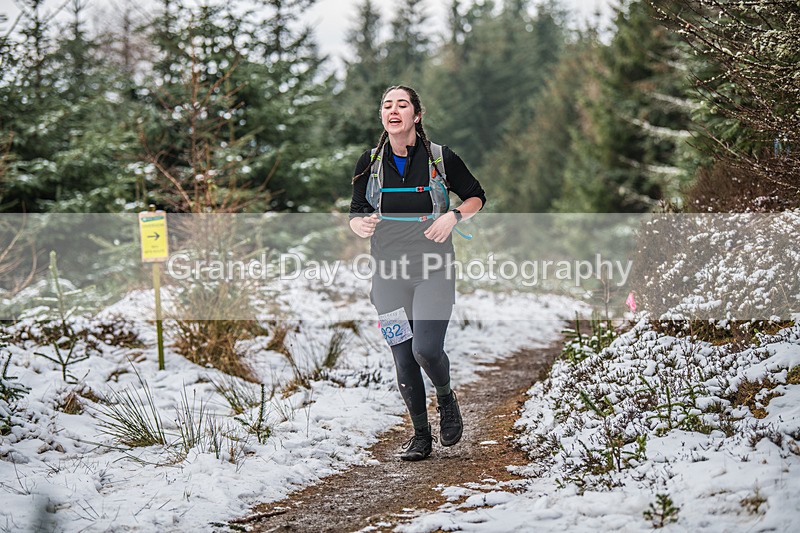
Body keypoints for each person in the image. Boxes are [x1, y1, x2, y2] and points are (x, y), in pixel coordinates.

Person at [349, 85, 486, 461]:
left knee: (424, 349)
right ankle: (421, 435)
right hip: (387, 277)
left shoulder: (440, 157)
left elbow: (476, 196)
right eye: (387, 105)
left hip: (433, 271)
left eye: (402, 105)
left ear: (417, 115)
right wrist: (359, 225)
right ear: (382, 116)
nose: (393, 110)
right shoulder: (369, 161)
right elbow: (357, 210)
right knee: (403, 357)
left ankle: (445, 397)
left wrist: (453, 216)